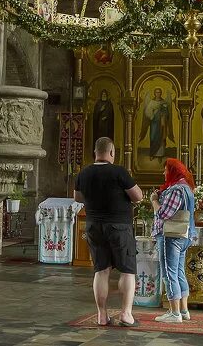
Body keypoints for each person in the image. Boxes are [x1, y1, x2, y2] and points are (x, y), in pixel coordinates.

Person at [74, 137, 144, 327]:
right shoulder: (119, 172)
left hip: (94, 226)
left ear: (95, 153)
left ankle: (101, 315)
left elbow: (78, 197)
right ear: (111, 152)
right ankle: (126, 314)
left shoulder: (84, 173)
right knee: (127, 270)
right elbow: (138, 197)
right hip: (119, 226)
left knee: (101, 270)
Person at [150, 158, 196, 323]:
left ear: (172, 171)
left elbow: (163, 214)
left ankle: (174, 313)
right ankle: (183, 310)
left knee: (169, 274)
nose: (163, 173)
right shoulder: (187, 189)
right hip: (184, 236)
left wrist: (154, 200)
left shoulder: (177, 190)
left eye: (166, 170)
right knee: (179, 273)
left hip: (171, 236)